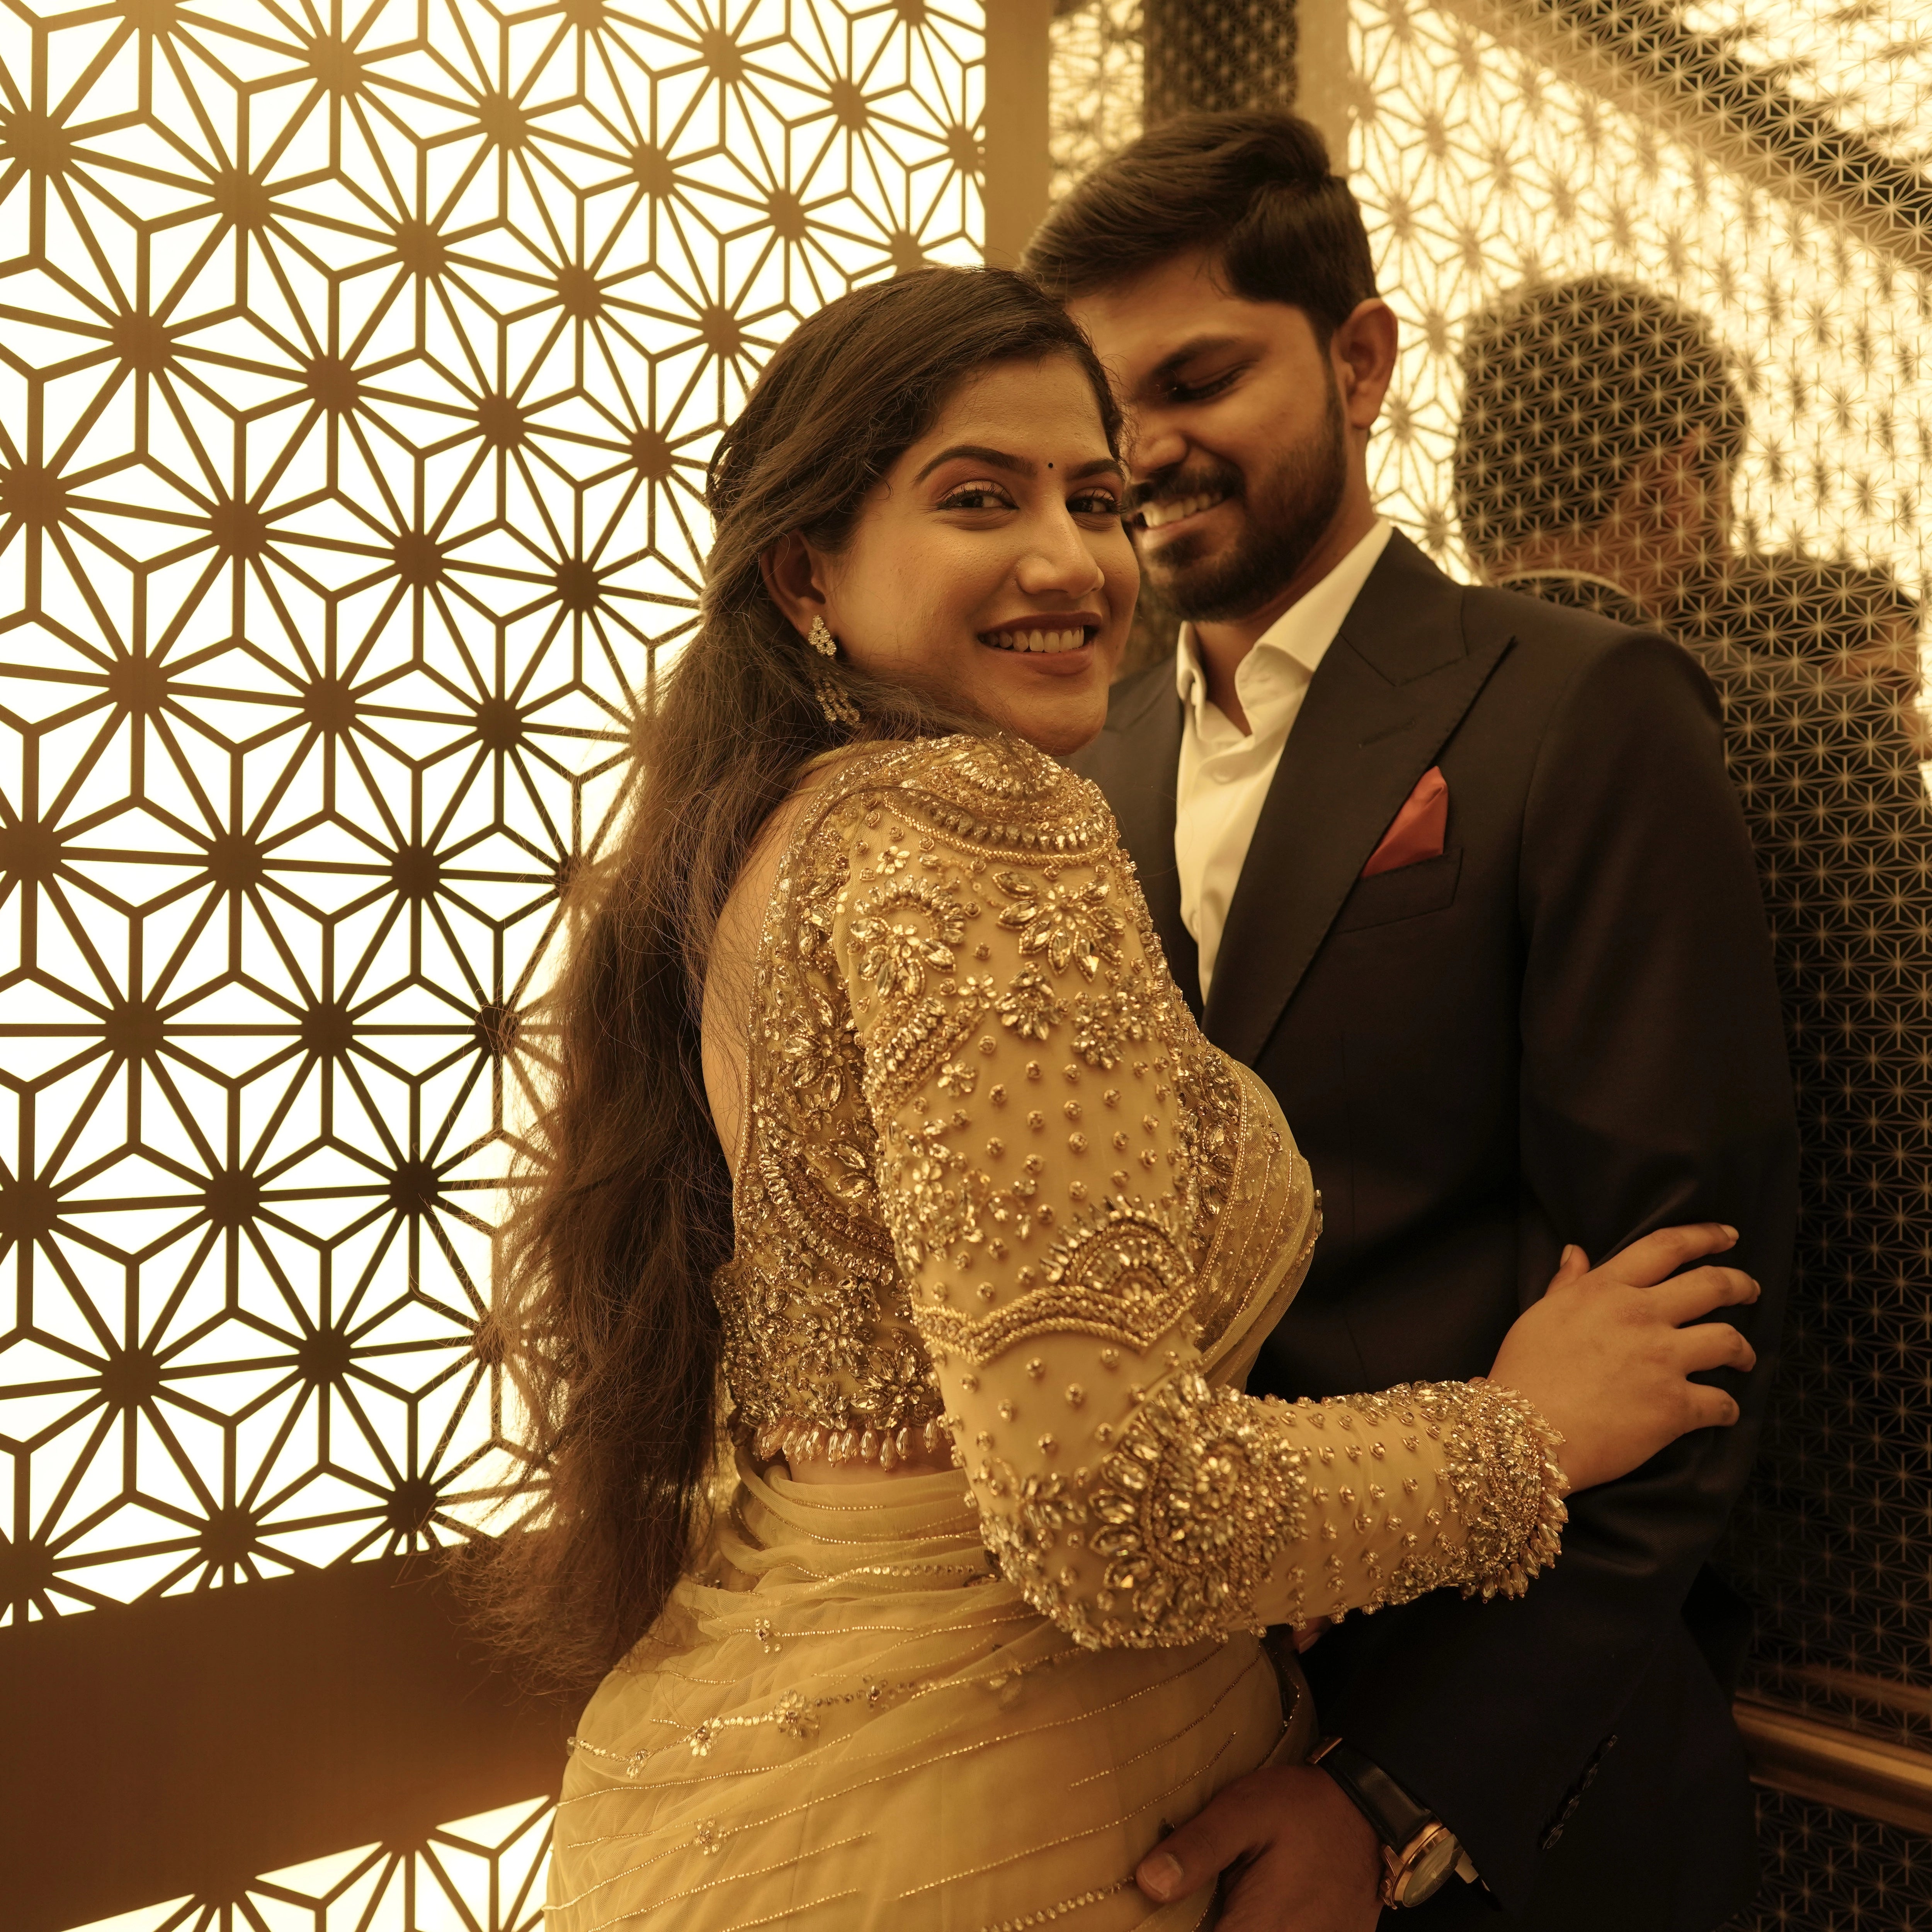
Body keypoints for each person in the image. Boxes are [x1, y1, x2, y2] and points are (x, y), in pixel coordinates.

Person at [474, 264, 1765, 1931]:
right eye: (976, 498)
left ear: (1361, 361)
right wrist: (1523, 1433)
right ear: (807, 570)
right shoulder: (977, 825)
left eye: (1093, 498)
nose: (1071, 554)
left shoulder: (764, 839)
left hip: (762, 1754)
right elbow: (1112, 1511)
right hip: (1011, 1799)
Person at [1023, 115, 1796, 1929]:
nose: (1141, 448)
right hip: (1173, 1748)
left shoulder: (1578, 706)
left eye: (1197, 374)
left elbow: (1685, 1319)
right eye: (1099, 403)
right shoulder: (1086, 753)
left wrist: (1393, 1793)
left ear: (1358, 361)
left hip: (1529, 1786)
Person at [1455, 274, 1932, 1715]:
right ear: (1674, 486)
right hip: (1787, 1555)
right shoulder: (1796, 738)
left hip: (1412, 1547)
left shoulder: (1349, 751)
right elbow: (1906, 1161)